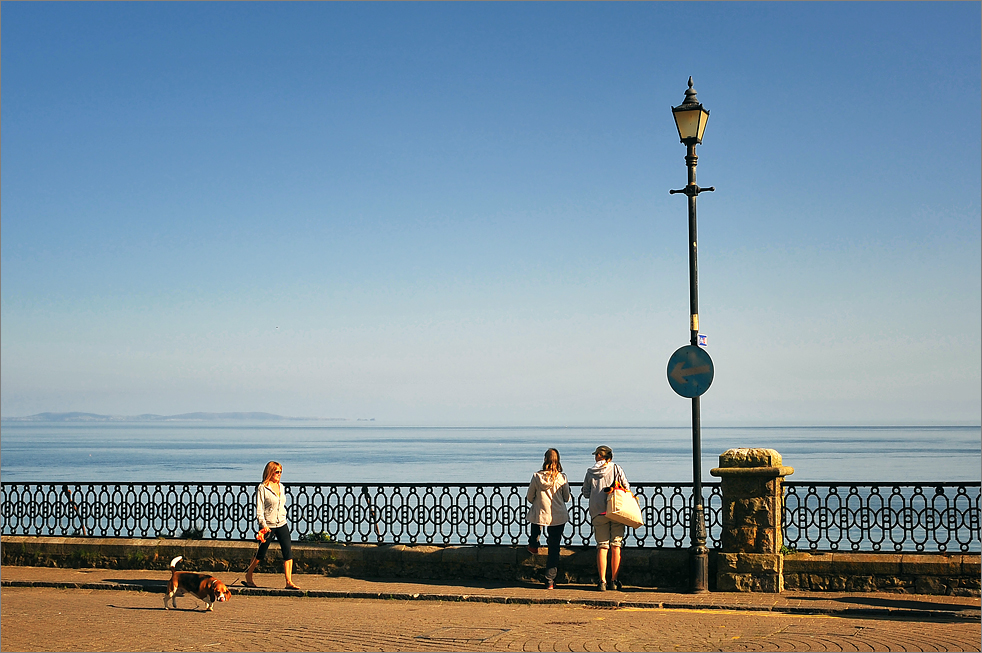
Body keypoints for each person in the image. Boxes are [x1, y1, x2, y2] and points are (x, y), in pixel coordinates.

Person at [244, 461, 300, 590]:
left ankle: (289, 581)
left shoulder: (281, 487)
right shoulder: (262, 488)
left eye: (280, 472)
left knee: (288, 552)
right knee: (261, 553)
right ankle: (249, 575)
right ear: (270, 472)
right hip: (268, 524)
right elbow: (259, 509)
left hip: (281, 522)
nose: (279, 474)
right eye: (277, 472)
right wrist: (263, 525)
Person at [581, 445, 629, 591]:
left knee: (602, 546)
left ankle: (602, 581)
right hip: (615, 510)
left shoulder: (590, 472)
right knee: (616, 545)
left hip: (598, 512)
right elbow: (626, 487)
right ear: (610, 457)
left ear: (597, 456)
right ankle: (614, 581)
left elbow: (586, 493)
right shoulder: (616, 468)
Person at [525, 448, 571, 590]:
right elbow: (567, 497)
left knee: (535, 518)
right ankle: (549, 580)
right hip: (558, 515)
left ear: (545, 459)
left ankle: (534, 543)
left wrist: (538, 501)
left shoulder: (536, 477)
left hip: (541, 513)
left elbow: (529, 497)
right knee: (554, 547)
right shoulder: (562, 478)